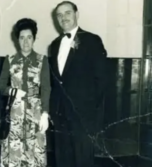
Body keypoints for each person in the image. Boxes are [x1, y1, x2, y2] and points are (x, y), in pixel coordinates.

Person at [47, 1, 107, 167]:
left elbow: (101, 80)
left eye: (67, 13)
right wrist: (52, 111)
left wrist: (93, 116)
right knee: (62, 160)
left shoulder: (92, 40)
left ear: (76, 14)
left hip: (83, 117)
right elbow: (55, 83)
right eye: (59, 15)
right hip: (60, 116)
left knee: (82, 161)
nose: (63, 18)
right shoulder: (54, 45)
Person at [0, 18, 51, 167]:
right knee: (14, 156)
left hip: (35, 114)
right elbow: (1, 85)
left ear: (34, 38)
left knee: (35, 156)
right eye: (22, 38)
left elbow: (46, 88)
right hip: (14, 114)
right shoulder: (10, 60)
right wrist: (12, 90)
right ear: (17, 40)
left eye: (29, 37)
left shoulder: (42, 60)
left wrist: (45, 113)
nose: (26, 42)